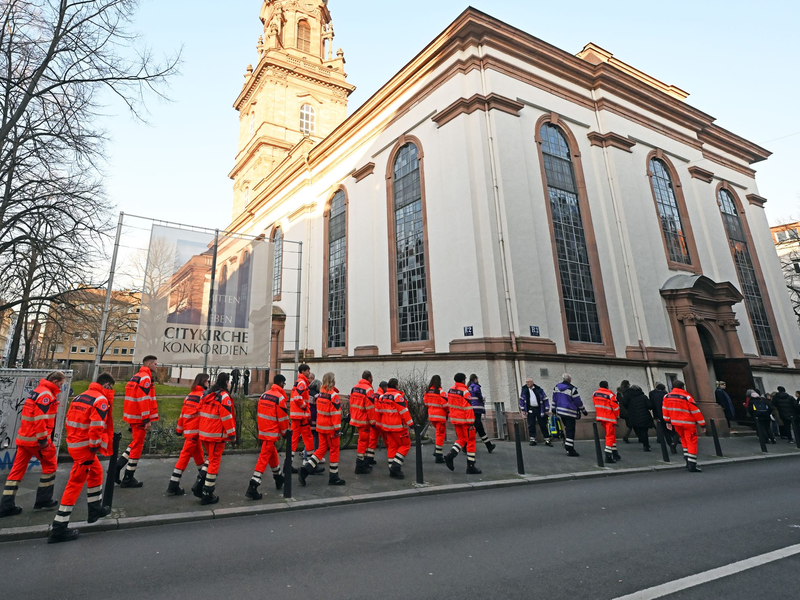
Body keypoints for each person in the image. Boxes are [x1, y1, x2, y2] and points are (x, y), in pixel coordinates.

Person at [48, 373, 115, 543]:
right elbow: (96, 426)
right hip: (85, 447)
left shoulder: (80, 397)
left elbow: (69, 419)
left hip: (75, 444)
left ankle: (95, 509)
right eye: (111, 388)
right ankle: (59, 527)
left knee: (97, 471)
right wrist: (94, 446)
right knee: (75, 484)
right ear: (106, 385)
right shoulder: (100, 400)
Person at [0, 371, 65, 517]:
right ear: (54, 381)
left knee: (16, 471)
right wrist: (43, 441)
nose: (61, 387)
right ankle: (43, 500)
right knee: (50, 466)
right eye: (60, 384)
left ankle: (6, 505)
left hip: (24, 439)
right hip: (37, 440)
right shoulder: (46, 395)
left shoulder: (37, 392)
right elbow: (40, 419)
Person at [115, 355, 160, 488]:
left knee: (135, 443)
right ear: (149, 364)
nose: (157, 366)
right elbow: (143, 400)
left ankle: (118, 466)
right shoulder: (145, 378)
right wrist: (146, 420)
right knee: (137, 446)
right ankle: (128, 477)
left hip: (133, 416)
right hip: (140, 418)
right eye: (155, 364)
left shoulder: (136, 376)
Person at [246, 374, 289, 500]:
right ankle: (253, 485)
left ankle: (278, 477)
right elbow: (282, 418)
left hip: (263, 430)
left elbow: (259, 413)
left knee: (271, 452)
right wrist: (285, 432)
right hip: (272, 431)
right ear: (281, 383)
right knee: (264, 457)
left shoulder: (264, 395)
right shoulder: (279, 398)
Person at [167, 373, 210, 496]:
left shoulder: (189, 396)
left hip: (189, 431)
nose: (208, 383)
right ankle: (173, 484)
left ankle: (201, 479)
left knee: (198, 455)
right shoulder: (203, 397)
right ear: (203, 382)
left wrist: (179, 429)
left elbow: (183, 414)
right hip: (196, 432)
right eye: (207, 381)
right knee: (184, 456)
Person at [299, 372, 344, 486]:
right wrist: (337, 429)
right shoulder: (333, 396)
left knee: (321, 449)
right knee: (334, 451)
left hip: (321, 426)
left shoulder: (321, 394)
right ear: (332, 381)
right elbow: (335, 414)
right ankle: (334, 477)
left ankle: (305, 469)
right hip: (331, 428)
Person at [197, 373, 236, 505]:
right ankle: (208, 493)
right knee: (214, 463)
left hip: (204, 433)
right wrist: (232, 434)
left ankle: (198, 484)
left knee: (210, 459)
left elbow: (199, 409)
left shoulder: (207, 394)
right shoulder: (224, 397)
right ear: (226, 382)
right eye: (229, 382)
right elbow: (226, 417)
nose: (229, 384)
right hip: (216, 435)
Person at [373, 378, 414, 478]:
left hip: (386, 427)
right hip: (398, 427)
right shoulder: (398, 397)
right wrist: (411, 424)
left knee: (392, 447)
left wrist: (379, 424)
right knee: (405, 445)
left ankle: (392, 470)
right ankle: (396, 466)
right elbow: (404, 412)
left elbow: (378, 411)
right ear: (396, 385)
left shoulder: (382, 397)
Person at [662, 380, 706, 472]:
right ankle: (692, 464)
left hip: (676, 423)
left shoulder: (667, 396)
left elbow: (665, 410)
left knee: (684, 441)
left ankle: (687, 460)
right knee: (691, 442)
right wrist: (702, 424)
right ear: (682, 387)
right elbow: (695, 412)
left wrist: (667, 422)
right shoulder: (687, 397)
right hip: (688, 423)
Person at [444, 373, 482, 474]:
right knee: (471, 442)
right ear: (463, 380)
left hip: (456, 420)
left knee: (461, 439)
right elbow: (468, 408)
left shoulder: (450, 390)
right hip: (465, 421)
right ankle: (470, 466)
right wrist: (471, 423)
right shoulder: (465, 392)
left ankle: (450, 456)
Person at [290, 364, 318, 474]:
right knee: (307, 438)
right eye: (308, 370)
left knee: (304, 438)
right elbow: (297, 398)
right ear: (303, 371)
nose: (309, 372)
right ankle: (310, 465)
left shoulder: (300, 382)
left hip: (299, 416)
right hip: (300, 416)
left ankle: (292, 465)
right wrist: (305, 407)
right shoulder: (302, 383)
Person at [552, 373, 588, 457]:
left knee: (567, 429)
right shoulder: (572, 389)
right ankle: (569, 448)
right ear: (569, 380)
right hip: (570, 412)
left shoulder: (556, 388)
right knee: (570, 430)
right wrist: (584, 411)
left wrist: (553, 409)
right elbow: (578, 402)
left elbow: (554, 399)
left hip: (560, 412)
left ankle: (568, 447)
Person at [350, 371, 377, 474]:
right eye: (372, 377)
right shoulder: (368, 390)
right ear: (369, 378)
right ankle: (360, 466)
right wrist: (373, 421)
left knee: (363, 441)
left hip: (356, 418)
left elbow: (351, 403)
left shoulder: (354, 388)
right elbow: (370, 407)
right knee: (363, 442)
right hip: (364, 420)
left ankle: (364, 463)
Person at [592, 381, 620, 463]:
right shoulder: (610, 395)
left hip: (601, 417)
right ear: (607, 386)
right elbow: (615, 407)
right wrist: (617, 415)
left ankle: (615, 452)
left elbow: (595, 403)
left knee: (611, 434)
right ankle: (608, 455)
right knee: (610, 436)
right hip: (610, 418)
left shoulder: (595, 394)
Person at [519, 378, 551, 447]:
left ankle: (547, 439)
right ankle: (532, 440)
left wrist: (546, 409)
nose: (527, 384)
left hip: (540, 409)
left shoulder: (539, 390)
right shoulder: (524, 390)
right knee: (531, 424)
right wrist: (523, 409)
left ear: (532, 382)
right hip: (530, 409)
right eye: (526, 382)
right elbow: (521, 400)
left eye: (529, 382)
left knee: (543, 424)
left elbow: (545, 399)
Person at [621, 385, 655, 451]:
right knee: (644, 431)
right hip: (644, 416)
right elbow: (649, 406)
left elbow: (625, 404)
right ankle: (646, 445)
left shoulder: (629, 398)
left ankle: (643, 441)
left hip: (633, 416)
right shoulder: (643, 397)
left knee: (638, 429)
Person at [468, 374, 496, 453]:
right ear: (475, 379)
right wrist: (481, 398)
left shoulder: (469, 386)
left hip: (472, 408)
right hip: (477, 408)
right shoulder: (475, 386)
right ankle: (466, 445)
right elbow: (477, 391)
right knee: (477, 427)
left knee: (479, 428)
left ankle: (489, 445)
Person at [424, 375, 449, 462]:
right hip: (440, 417)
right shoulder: (441, 392)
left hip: (431, 416)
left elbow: (426, 403)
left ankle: (437, 451)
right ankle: (438, 455)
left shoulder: (427, 391)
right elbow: (445, 405)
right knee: (440, 435)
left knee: (438, 433)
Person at [650, 383, 677, 453]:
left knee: (665, 431)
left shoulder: (654, 396)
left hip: (660, 416)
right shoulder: (668, 395)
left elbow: (652, 406)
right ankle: (674, 443)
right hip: (670, 415)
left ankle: (670, 444)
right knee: (674, 431)